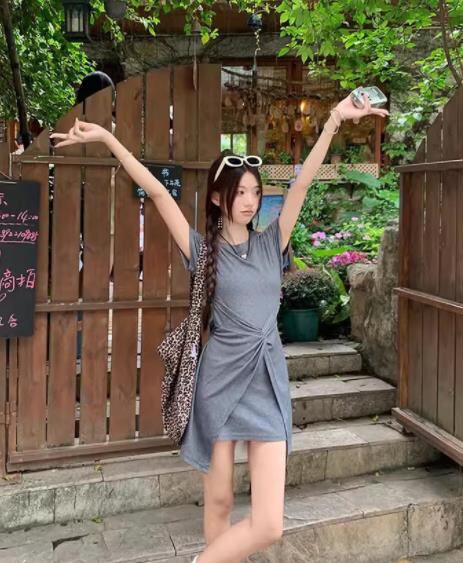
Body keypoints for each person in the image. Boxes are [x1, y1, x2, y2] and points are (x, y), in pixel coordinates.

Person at [51, 92, 388, 563]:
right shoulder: (202, 250)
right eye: (240, 192)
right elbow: (157, 192)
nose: (249, 201)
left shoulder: (273, 243)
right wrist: (109, 139)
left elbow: (302, 184)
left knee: (269, 523)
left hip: (267, 383)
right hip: (218, 383)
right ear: (217, 197)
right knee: (220, 502)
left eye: (255, 192)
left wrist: (334, 120)